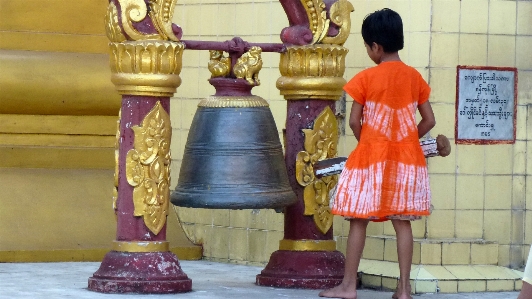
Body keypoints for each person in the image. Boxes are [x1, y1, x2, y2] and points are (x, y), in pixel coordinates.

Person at [319, 8, 435, 299]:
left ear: (376, 47)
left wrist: (369, 141)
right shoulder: (414, 78)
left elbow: (355, 121)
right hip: (407, 159)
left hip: (371, 158)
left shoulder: (366, 78)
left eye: (367, 46)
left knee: (359, 218)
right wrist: (406, 140)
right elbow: (429, 120)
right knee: (402, 220)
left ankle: (348, 287)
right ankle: (404, 290)